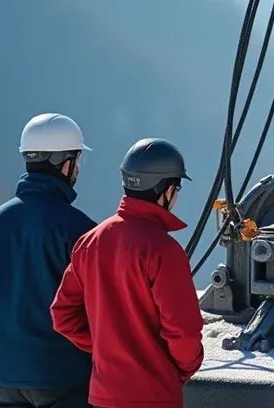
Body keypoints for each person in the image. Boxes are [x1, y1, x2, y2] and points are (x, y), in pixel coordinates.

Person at [51, 138, 203, 408]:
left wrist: (105, 347)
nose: (177, 195)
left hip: (103, 394)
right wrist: (178, 369)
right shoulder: (164, 251)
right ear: (164, 190)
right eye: (177, 187)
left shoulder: (90, 242)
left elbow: (63, 316)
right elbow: (184, 333)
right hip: (154, 396)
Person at [0, 113, 97, 408]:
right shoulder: (80, 230)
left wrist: (11, 336)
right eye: (77, 160)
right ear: (66, 163)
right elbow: (100, 308)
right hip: (66, 377)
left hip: (7, 379)